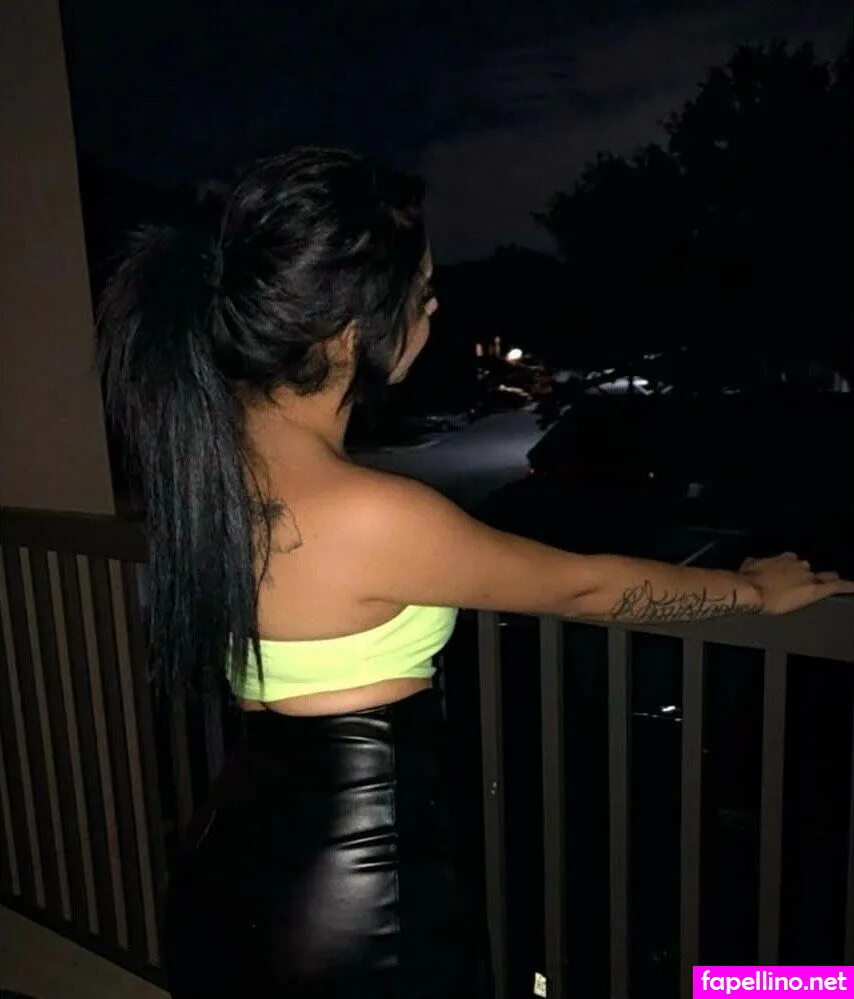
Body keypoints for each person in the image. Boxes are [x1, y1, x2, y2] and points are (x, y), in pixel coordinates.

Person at [97, 146, 853, 998]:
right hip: (355, 894)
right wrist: (753, 591)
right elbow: (583, 586)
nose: (435, 306)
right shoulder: (374, 511)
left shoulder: (204, 465)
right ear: (350, 330)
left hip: (228, 856)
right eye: (422, 291)